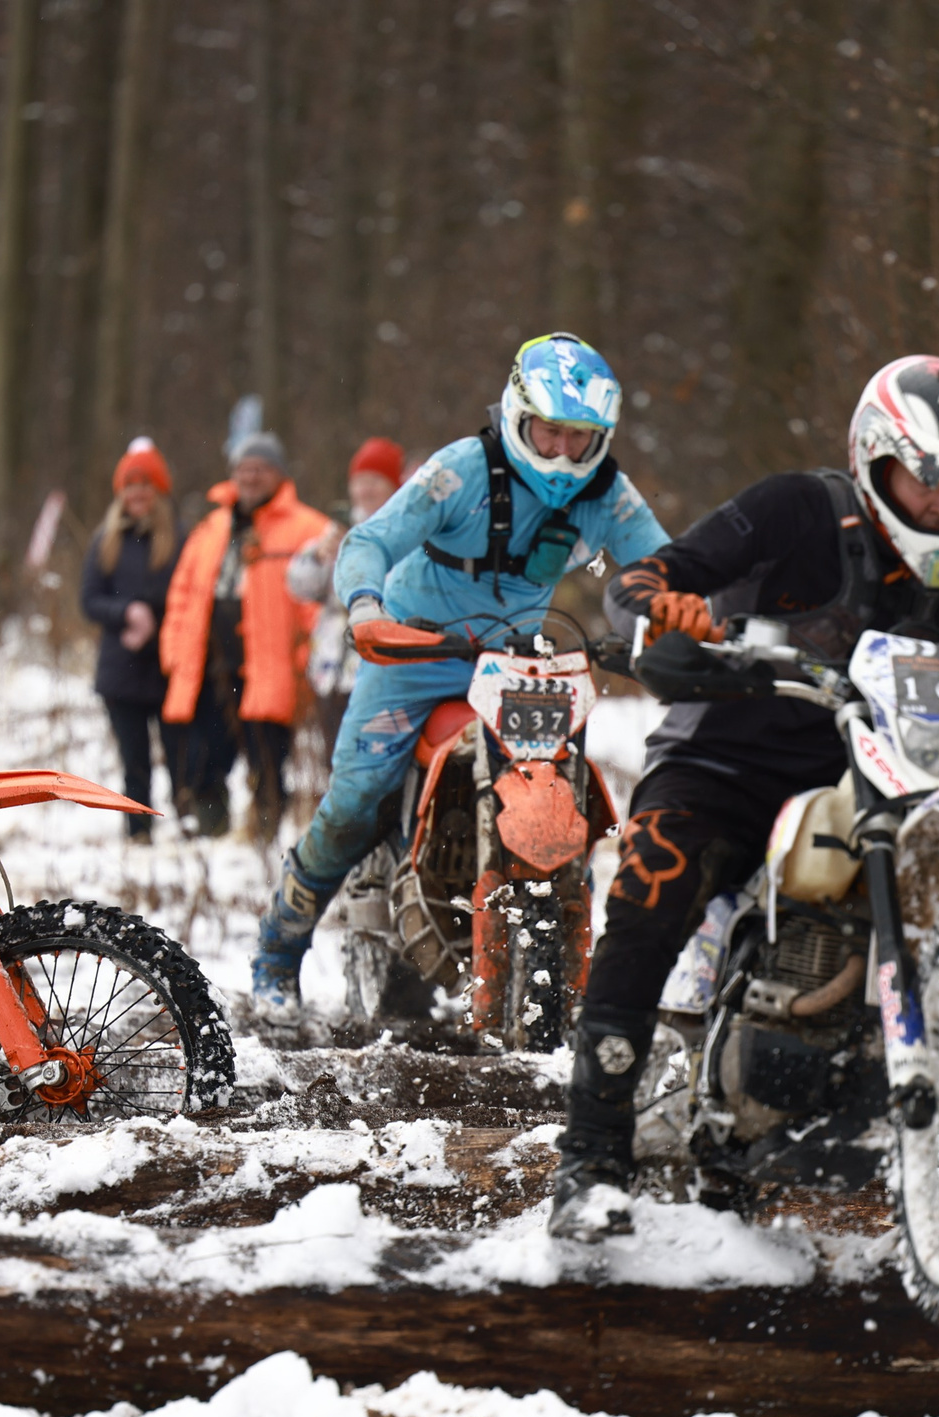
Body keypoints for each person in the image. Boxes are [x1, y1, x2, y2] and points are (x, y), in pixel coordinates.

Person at [550, 355, 939, 1239]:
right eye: (925, 476)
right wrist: (671, 612)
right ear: (877, 455)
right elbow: (652, 575)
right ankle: (592, 1159)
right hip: (736, 756)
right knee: (650, 887)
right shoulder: (798, 508)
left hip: (912, 772)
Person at [249, 333, 671, 1015]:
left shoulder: (607, 495)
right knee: (356, 801)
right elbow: (369, 540)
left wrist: (677, 625)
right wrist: (364, 606)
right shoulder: (460, 472)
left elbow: (663, 570)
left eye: (580, 438)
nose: (564, 453)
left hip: (518, 665)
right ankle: (279, 946)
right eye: (550, 432)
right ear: (518, 413)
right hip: (414, 653)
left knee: (569, 793)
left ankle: (574, 957)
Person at [158, 433, 329, 841]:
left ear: (279, 474)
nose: (250, 477)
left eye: (260, 468)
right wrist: (174, 653)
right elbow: (181, 594)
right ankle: (210, 834)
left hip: (270, 668)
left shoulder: (310, 528)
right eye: (243, 468)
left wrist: (308, 661)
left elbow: (319, 606)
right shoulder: (211, 527)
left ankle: (262, 841)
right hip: (211, 667)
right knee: (203, 759)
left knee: (267, 759)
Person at [80, 437, 187, 844]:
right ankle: (138, 835)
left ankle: (189, 834)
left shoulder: (180, 538)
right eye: (130, 485)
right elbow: (89, 600)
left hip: (168, 668)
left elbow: (188, 596)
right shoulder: (104, 540)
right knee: (134, 763)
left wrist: (154, 617)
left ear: (158, 492)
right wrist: (125, 613)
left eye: (145, 485)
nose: (137, 493)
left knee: (181, 759)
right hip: (120, 673)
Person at [287, 436, 409, 748]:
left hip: (381, 664)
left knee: (374, 753)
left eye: (374, 481)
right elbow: (298, 585)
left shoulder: (407, 532)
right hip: (332, 666)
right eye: (359, 481)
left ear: (393, 486)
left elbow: (405, 590)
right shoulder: (337, 530)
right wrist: (319, 557)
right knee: (335, 752)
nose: (365, 490)